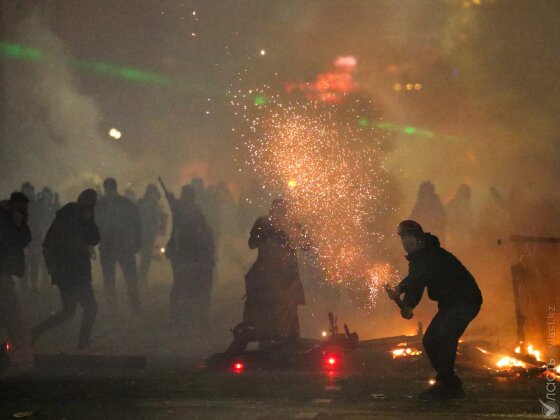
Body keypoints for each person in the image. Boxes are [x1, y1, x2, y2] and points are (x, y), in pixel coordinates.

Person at [386, 220, 482, 400]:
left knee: (446, 334)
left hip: (465, 300)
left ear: (418, 238)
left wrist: (400, 288)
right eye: (403, 238)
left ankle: (446, 385)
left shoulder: (431, 254)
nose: (406, 241)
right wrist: (408, 305)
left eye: (409, 237)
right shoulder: (417, 260)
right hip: (449, 304)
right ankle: (450, 384)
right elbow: (417, 285)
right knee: (430, 340)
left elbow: (419, 275)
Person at [226, 199, 308, 354]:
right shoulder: (263, 223)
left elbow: (307, 245)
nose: (281, 214)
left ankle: (288, 344)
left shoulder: (293, 224)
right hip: (266, 275)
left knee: (289, 311)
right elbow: (252, 244)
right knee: (264, 311)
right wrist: (265, 234)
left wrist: (294, 234)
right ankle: (266, 344)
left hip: (287, 276)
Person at [31, 189, 100, 350]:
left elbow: (94, 239)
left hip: (70, 272)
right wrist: (52, 267)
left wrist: (89, 221)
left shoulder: (74, 217)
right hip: (72, 273)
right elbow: (48, 244)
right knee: (90, 307)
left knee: (68, 311)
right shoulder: (66, 219)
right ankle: (83, 343)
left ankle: (36, 331)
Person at [165, 185, 214, 338]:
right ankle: (196, 319)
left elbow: (174, 207)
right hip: (191, 254)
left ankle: (179, 318)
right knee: (193, 287)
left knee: (180, 285)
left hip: (184, 254)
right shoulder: (195, 211)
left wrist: (170, 198)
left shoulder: (182, 209)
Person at [95, 178, 142, 315]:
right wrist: (137, 243)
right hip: (120, 247)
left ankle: (119, 309)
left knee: (116, 280)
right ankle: (132, 308)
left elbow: (136, 224)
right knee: (125, 280)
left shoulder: (102, 204)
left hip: (116, 247)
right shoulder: (125, 203)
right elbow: (137, 224)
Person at [0, 192, 32, 347]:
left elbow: (25, 239)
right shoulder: (4, 219)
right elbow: (12, 242)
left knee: (10, 308)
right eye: (22, 208)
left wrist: (19, 225)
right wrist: (17, 226)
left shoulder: (13, 218)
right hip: (2, 271)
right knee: (11, 309)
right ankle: (16, 344)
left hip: (5, 271)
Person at [137, 184, 166, 283]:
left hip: (150, 233)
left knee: (147, 256)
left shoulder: (156, 204)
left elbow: (161, 218)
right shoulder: (142, 202)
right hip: (143, 232)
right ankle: (141, 277)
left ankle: (142, 277)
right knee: (145, 256)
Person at [20, 182, 41, 293]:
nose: (29, 194)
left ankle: (33, 285)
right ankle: (24, 286)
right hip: (22, 242)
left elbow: (38, 226)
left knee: (34, 264)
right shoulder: (18, 207)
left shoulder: (36, 207)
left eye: (30, 191)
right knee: (24, 266)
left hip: (34, 240)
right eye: (26, 191)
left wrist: (38, 242)